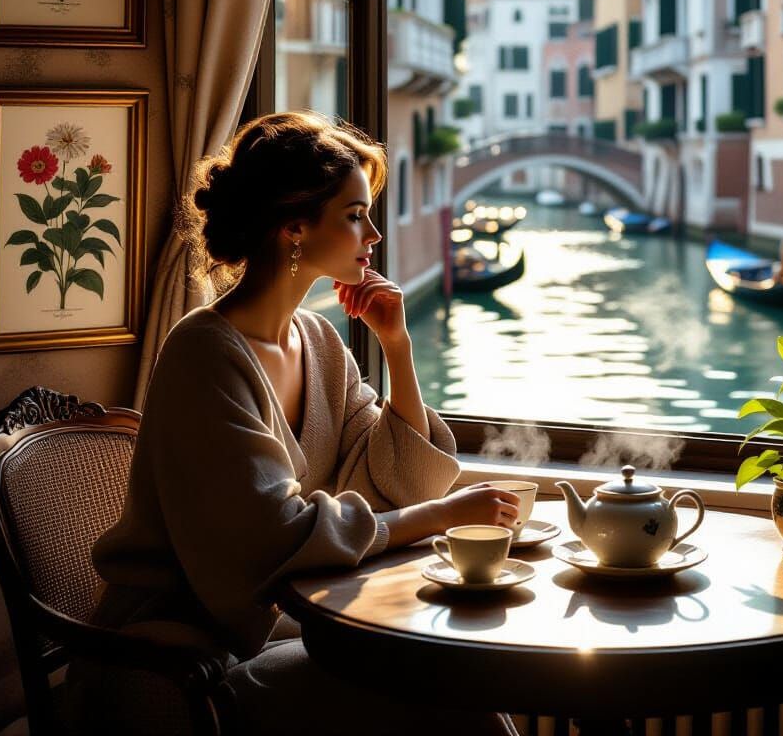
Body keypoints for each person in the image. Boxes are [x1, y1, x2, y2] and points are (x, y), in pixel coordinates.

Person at [71, 111, 521, 735]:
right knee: (438, 684)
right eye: (355, 215)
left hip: (282, 623)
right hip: (182, 652)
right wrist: (443, 516)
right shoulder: (204, 355)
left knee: (449, 675)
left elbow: (403, 481)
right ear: (294, 229)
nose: (374, 235)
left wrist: (398, 348)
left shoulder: (320, 342)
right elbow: (271, 540)